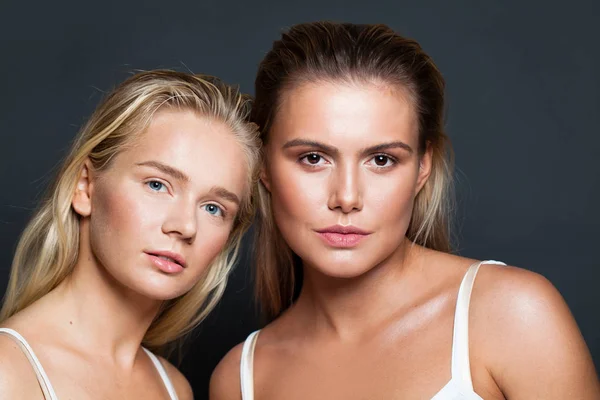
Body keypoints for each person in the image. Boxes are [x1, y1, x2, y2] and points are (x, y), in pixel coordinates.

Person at [210, 22, 600, 399]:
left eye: (381, 160)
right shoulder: (242, 380)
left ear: (422, 168)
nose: (347, 197)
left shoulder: (511, 314)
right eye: (313, 157)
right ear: (262, 165)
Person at [0, 70, 261, 399]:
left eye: (213, 208)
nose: (185, 226)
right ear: (85, 187)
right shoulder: (7, 374)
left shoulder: (174, 388)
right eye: (157, 184)